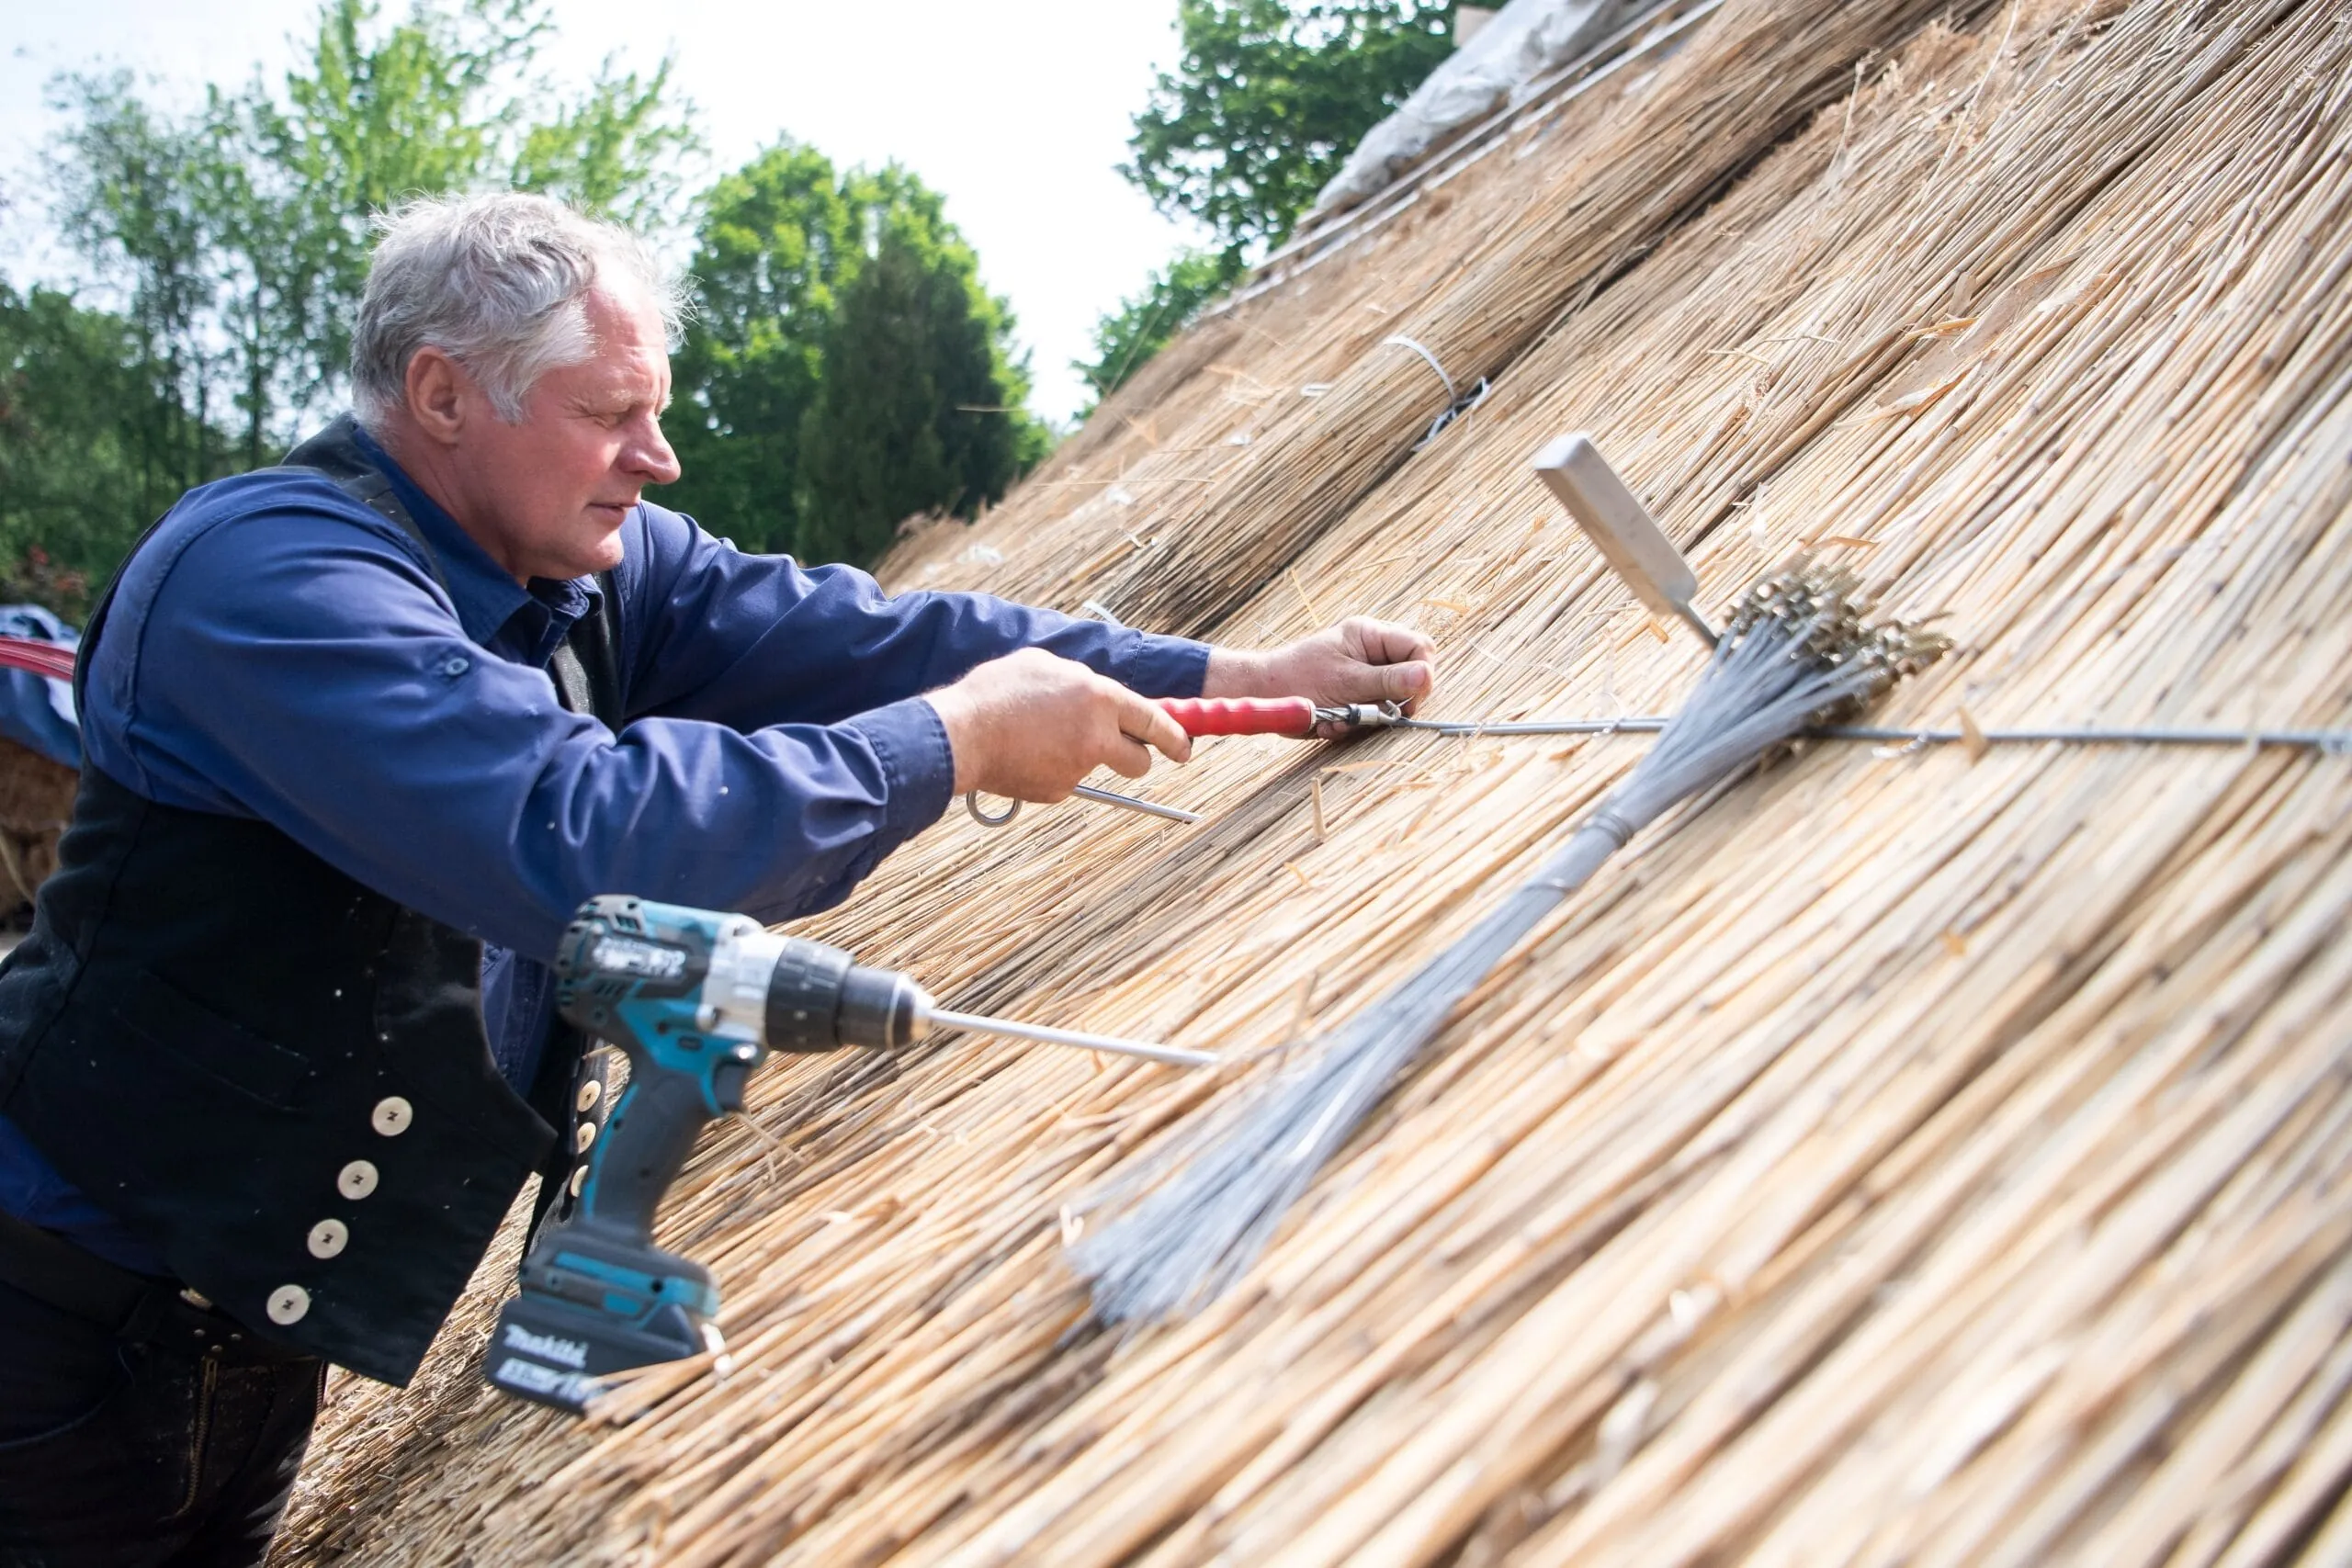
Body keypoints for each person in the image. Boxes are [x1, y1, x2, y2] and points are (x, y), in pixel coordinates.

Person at [0, 193, 1434, 1565]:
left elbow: (864, 638)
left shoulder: (577, 567)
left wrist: (1230, 672)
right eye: (610, 413)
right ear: (441, 395)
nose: (660, 456)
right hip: (54, 1323)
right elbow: (577, 837)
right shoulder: (266, 579)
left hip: (242, 1334)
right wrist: (956, 742)